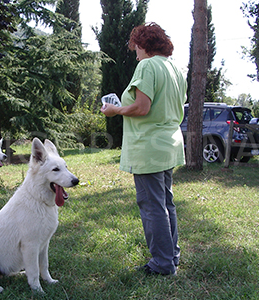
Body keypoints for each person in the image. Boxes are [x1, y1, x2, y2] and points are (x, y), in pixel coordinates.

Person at [101, 22, 186, 276]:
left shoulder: (147, 65)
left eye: (135, 48)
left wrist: (116, 110)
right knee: (166, 203)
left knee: (152, 206)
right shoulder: (175, 68)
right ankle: (172, 256)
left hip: (149, 147)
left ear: (143, 45)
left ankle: (162, 264)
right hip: (169, 144)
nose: (135, 53)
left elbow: (142, 107)